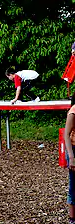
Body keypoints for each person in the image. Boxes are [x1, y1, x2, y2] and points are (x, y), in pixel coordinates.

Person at [63, 93, 75, 224]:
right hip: (74, 149)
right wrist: (71, 157)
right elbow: (66, 134)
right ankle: (72, 218)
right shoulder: (73, 111)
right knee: (74, 184)